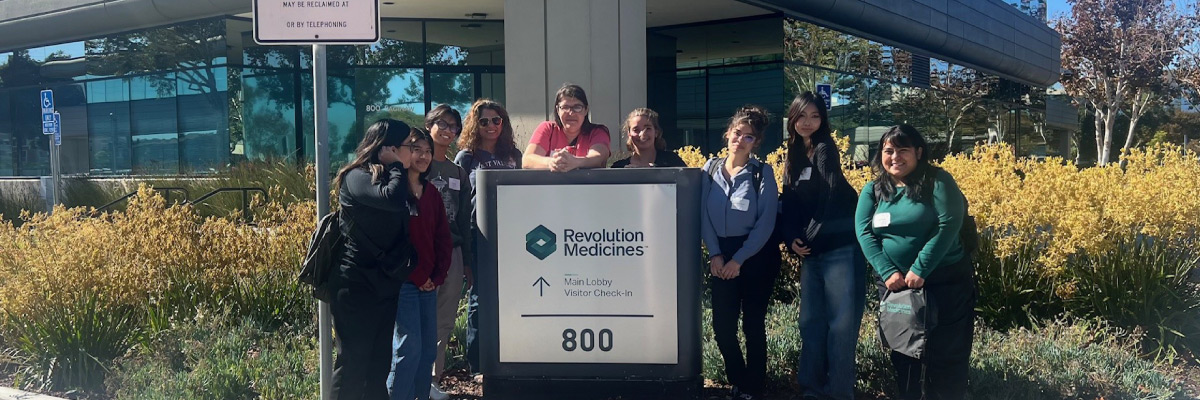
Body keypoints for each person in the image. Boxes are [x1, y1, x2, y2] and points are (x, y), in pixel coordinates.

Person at [854, 124, 974, 400]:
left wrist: (920, 268)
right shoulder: (873, 190)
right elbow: (863, 232)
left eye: (903, 150)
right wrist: (887, 272)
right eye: (888, 151)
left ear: (919, 152)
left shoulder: (938, 180)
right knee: (904, 352)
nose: (895, 157)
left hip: (945, 281)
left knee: (947, 355)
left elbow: (949, 223)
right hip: (896, 287)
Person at [779, 92, 865, 400]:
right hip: (813, 252)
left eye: (815, 117)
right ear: (793, 118)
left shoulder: (825, 149)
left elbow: (832, 194)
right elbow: (787, 202)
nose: (808, 122)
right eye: (802, 116)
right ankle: (812, 390)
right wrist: (791, 239)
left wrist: (811, 235)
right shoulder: (794, 152)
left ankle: (840, 392)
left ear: (823, 120)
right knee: (810, 323)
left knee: (840, 326)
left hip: (839, 248)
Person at [330, 118, 417, 400]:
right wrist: (396, 166)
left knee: (379, 364)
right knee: (353, 364)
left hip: (385, 284)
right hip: (355, 285)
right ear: (389, 148)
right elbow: (391, 200)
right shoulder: (356, 177)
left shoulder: (394, 176)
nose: (413, 153)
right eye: (409, 146)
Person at [700, 105, 779, 400]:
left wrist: (739, 259)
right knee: (722, 326)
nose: (740, 140)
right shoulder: (708, 169)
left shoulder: (761, 172)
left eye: (748, 137)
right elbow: (702, 216)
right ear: (727, 134)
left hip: (755, 255)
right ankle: (739, 380)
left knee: (753, 325)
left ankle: (755, 388)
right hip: (721, 252)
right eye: (737, 133)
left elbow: (766, 222)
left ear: (756, 142)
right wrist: (716, 255)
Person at [453, 99, 522, 377]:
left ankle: (508, 356)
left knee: (510, 297)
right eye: (484, 121)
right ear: (475, 125)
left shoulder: (514, 155)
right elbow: (458, 202)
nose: (491, 126)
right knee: (479, 298)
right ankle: (477, 363)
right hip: (477, 234)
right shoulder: (466, 158)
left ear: (503, 123)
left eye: (496, 120)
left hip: (512, 235)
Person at [388, 128, 452, 400]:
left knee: (427, 349)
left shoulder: (433, 193)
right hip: (405, 283)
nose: (424, 156)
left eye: (427, 151)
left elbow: (442, 238)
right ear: (404, 152)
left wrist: (436, 276)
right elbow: (394, 242)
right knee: (407, 348)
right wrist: (417, 275)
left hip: (429, 283)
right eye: (417, 150)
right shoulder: (394, 191)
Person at [422, 105, 471, 400]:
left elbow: (464, 220)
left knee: (444, 320)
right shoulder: (416, 165)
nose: (447, 130)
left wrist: (468, 263)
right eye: (442, 123)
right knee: (414, 319)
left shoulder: (458, 172)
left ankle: (432, 381)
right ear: (429, 125)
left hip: (452, 253)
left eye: (453, 126)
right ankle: (403, 379)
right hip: (419, 254)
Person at [522, 83, 611, 171]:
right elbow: (527, 160)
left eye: (577, 107)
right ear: (557, 110)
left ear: (586, 110)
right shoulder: (548, 129)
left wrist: (575, 162)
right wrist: (551, 162)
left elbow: (598, 158)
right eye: (565, 107)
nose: (571, 113)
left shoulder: (597, 132)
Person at [610, 107, 686, 168]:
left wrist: (655, 171)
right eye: (636, 130)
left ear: (656, 132)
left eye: (648, 128)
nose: (642, 134)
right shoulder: (619, 167)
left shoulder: (672, 161)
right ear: (629, 134)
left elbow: (687, 183)